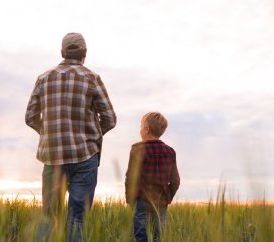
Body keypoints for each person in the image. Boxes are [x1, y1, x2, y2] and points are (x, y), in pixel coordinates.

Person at [25, 32, 117, 242]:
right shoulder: (92, 79)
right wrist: (89, 135)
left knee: (49, 218)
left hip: (52, 159)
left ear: (62, 53)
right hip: (85, 158)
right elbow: (110, 119)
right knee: (78, 220)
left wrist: (49, 134)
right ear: (85, 54)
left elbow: (30, 117)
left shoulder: (44, 78)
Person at [125, 112, 180, 242]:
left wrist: (129, 200)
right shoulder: (170, 151)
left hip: (140, 201)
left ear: (147, 129)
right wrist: (167, 198)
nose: (140, 130)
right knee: (158, 237)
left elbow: (130, 178)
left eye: (140, 126)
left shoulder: (137, 149)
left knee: (141, 237)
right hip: (161, 202)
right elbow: (175, 181)